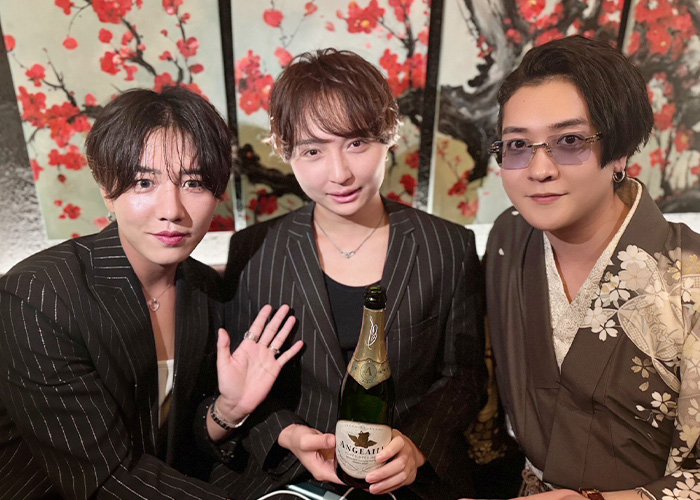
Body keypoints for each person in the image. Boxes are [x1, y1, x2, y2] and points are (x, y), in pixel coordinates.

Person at [0, 86, 302, 499]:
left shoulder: (206, 289)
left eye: (193, 182)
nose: (172, 210)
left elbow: (169, 441)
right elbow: (105, 476)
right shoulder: (39, 295)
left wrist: (227, 411)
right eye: (144, 182)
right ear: (108, 190)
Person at [213, 49, 487, 500]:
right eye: (313, 151)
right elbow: (238, 382)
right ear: (286, 152)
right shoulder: (253, 251)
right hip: (287, 477)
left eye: (356, 143)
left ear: (388, 137)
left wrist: (418, 446)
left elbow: (464, 377)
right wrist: (286, 435)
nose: (339, 173)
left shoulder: (447, 246)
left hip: (406, 482)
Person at [484, 35, 700, 500]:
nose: (538, 170)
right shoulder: (508, 240)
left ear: (619, 151)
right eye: (518, 144)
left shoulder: (691, 279)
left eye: (569, 141)